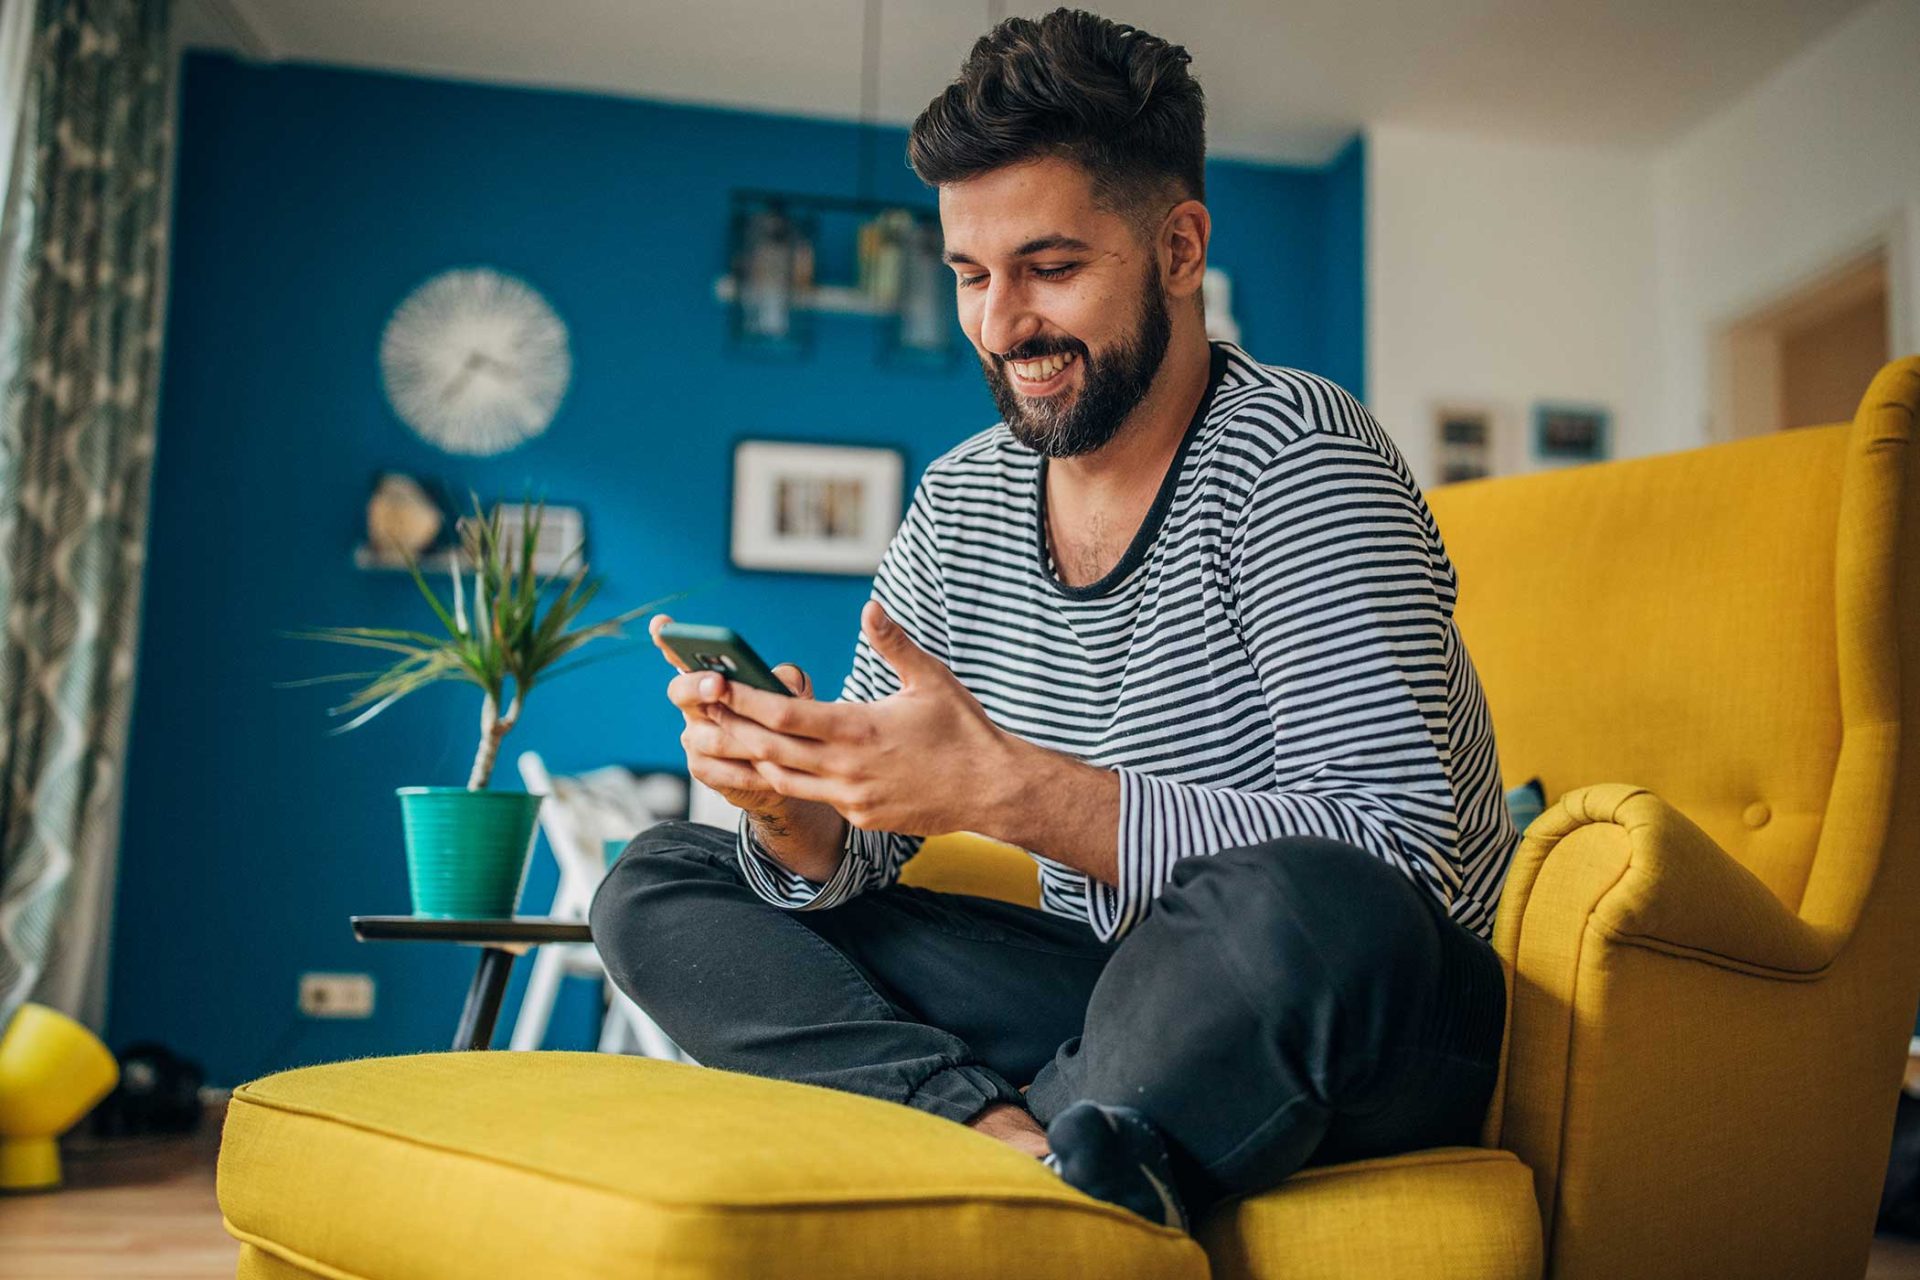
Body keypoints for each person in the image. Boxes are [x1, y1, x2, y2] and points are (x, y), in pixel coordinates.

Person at [589, 7, 1517, 1233]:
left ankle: (1054, 1139)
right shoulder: (965, 497)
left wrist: (1012, 792)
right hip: (1119, 989)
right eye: (971, 275)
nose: (999, 322)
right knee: (660, 879)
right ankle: (1019, 1143)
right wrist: (797, 808)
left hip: (1362, 997)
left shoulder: (1303, 458)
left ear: (1180, 247)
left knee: (1295, 902)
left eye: (1051, 267)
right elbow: (861, 845)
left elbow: (1402, 860)